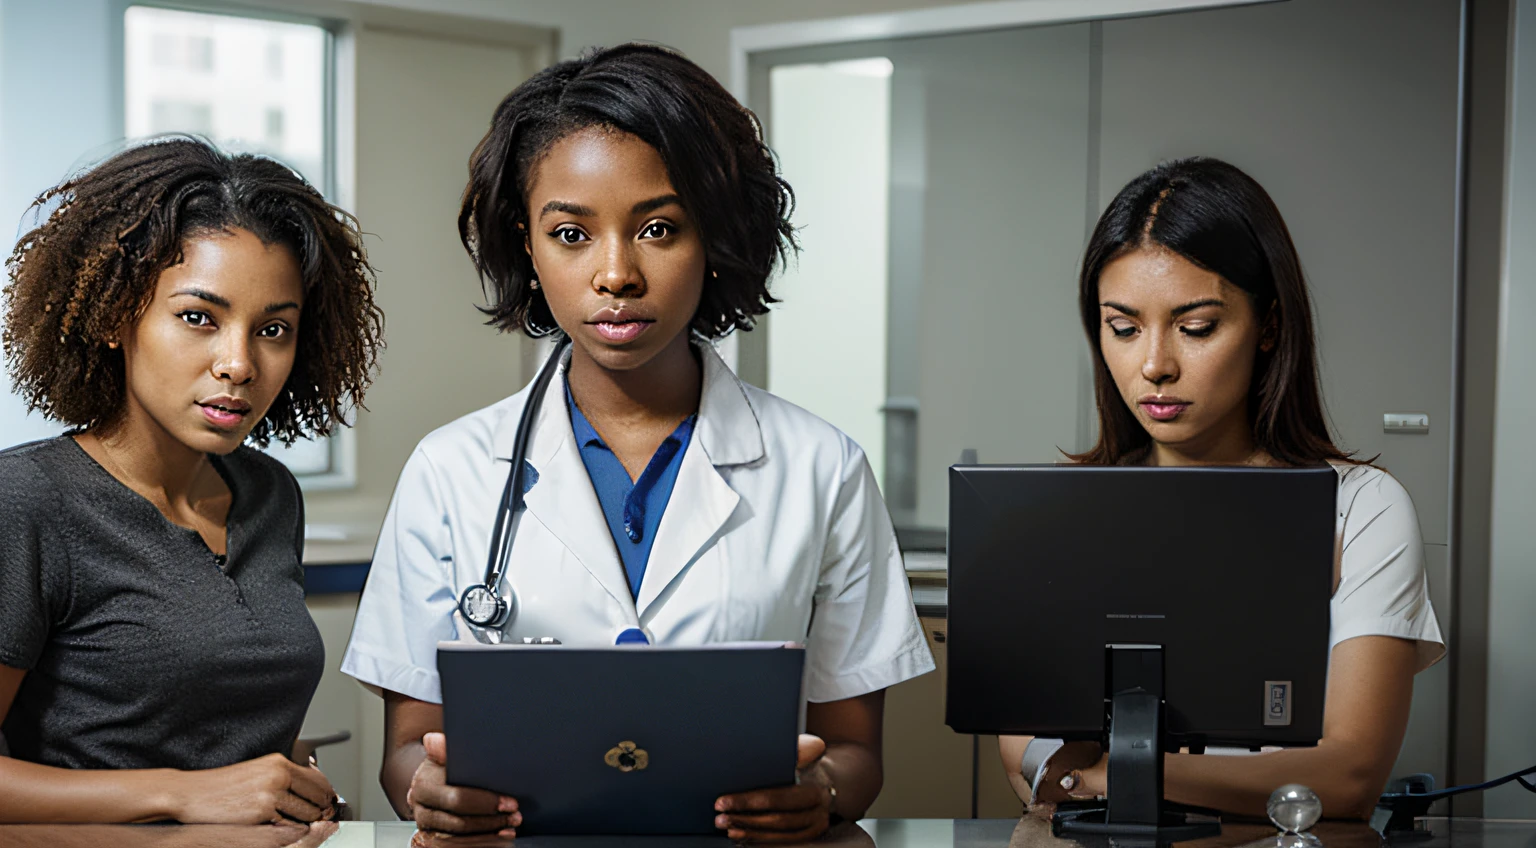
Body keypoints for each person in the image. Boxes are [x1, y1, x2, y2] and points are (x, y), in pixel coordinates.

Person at [341, 43, 934, 843]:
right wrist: (433, 793)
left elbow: (857, 751)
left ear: (713, 235)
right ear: (527, 243)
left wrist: (818, 791)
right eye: (571, 234)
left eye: (657, 228)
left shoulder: (821, 468)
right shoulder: (450, 471)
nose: (616, 273)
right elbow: (408, 752)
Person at [999, 157, 1444, 821]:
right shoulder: (1067, 510)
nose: (1155, 364)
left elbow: (1349, 774)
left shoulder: (1362, 508)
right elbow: (1028, 750)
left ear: (1268, 325)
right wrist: (1096, 775)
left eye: (1196, 326)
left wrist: (1105, 776)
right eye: (1122, 327)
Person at [0, 137, 384, 824]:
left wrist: (298, 788)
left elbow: (224, 715)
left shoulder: (269, 496)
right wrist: (180, 794)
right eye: (198, 318)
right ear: (118, 316)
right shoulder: (28, 501)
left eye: (273, 330)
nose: (238, 363)